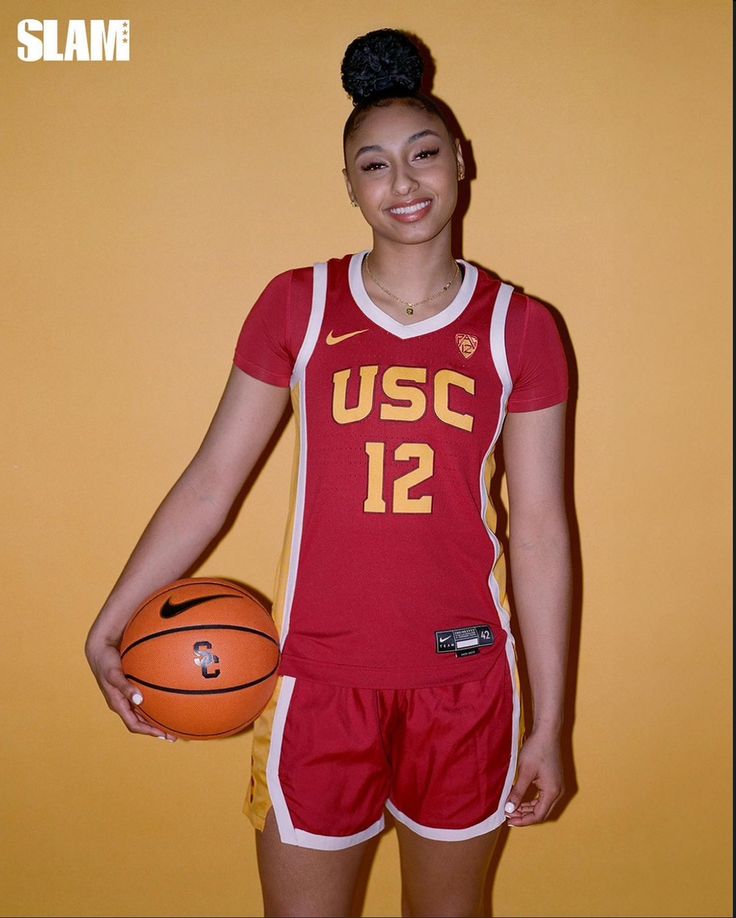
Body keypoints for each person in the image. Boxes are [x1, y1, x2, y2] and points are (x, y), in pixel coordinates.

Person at [85, 28, 572, 918]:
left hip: (465, 686)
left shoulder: (520, 326)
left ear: (460, 161)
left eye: (423, 155)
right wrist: (110, 623)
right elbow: (211, 482)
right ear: (348, 184)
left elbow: (539, 529)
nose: (404, 183)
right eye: (374, 165)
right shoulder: (299, 304)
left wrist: (550, 724)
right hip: (316, 685)